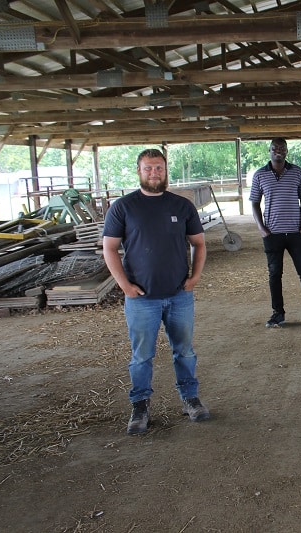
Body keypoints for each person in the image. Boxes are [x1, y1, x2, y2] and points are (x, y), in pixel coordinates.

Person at [102, 148, 210, 436]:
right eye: (148, 168)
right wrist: (124, 285)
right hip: (141, 299)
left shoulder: (182, 206)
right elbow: (109, 249)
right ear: (139, 171)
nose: (154, 173)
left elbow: (199, 243)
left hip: (179, 296)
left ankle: (190, 399)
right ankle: (140, 406)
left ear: (166, 170)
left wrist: (194, 277)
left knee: (184, 351)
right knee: (141, 356)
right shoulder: (123, 207)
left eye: (159, 168)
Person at [250, 138, 301, 328]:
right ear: (269, 151)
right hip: (272, 234)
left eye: (282, 148)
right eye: (274, 148)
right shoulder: (260, 175)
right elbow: (254, 202)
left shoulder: (297, 172)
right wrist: (262, 229)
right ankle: (278, 314)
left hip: (296, 233)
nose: (278, 151)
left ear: (286, 151)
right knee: (275, 274)